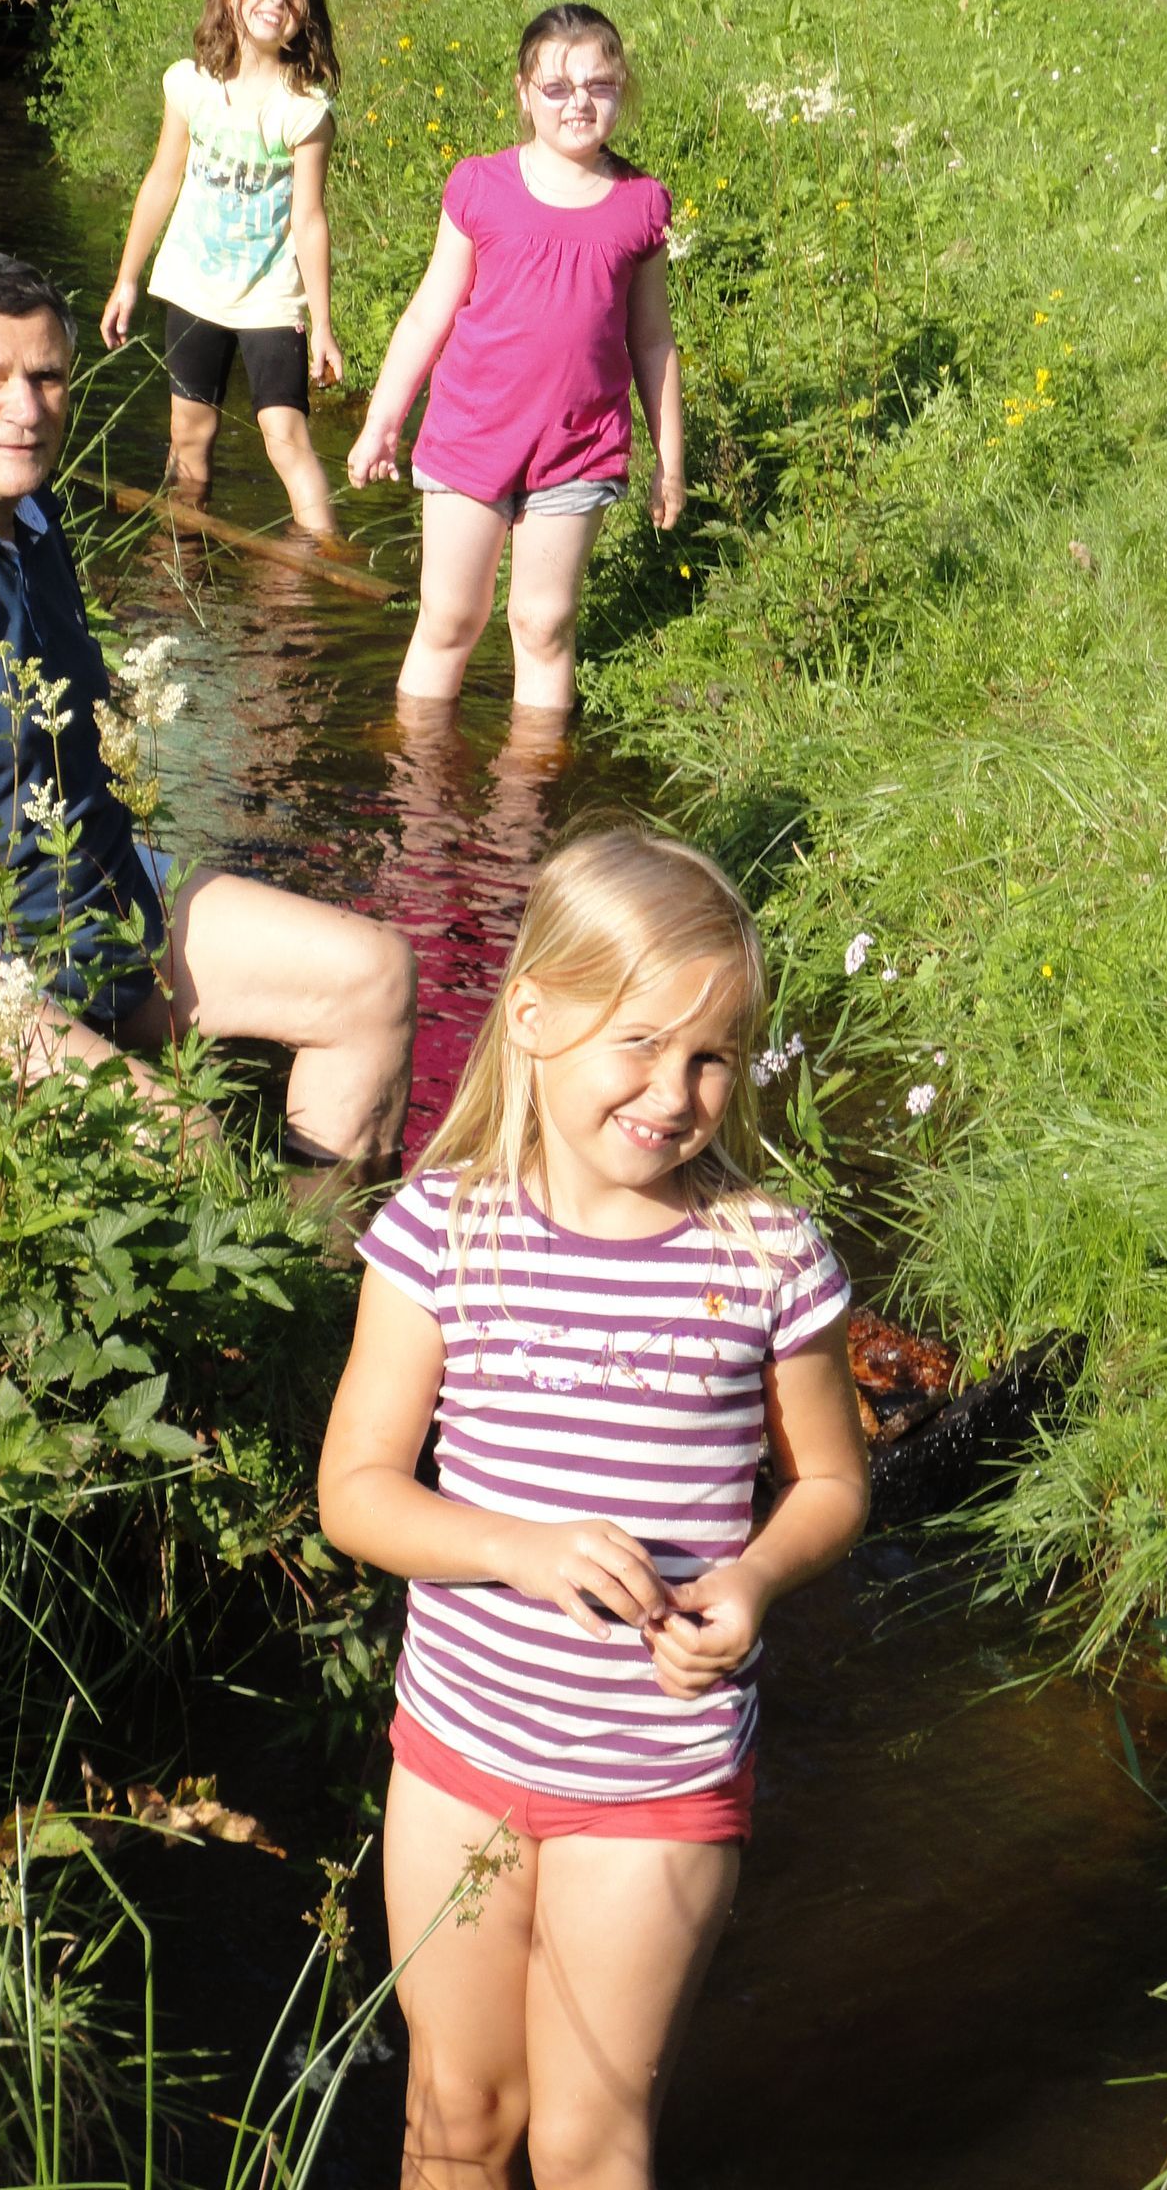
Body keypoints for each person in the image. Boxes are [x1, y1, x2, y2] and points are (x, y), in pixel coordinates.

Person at [319, 826, 868, 2190]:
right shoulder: (441, 1232)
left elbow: (832, 1483)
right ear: (533, 1014)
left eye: (712, 1057)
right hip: (459, 1757)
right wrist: (515, 1547)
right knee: (459, 2119)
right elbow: (356, 1492)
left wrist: (750, 1583)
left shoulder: (766, 1256)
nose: (675, 1093)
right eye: (640, 1043)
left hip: (657, 1774)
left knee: (587, 2145)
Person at [0, 248, 414, 1168]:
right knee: (188, 1141)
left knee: (374, 978)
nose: (25, 409)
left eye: (47, 376)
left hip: (102, 900)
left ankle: (326, 1243)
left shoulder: (21, 507)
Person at [346, 3, 686, 716]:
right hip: (471, 435)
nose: (579, 102)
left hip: (578, 446)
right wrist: (383, 422)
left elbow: (653, 341)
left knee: (542, 624)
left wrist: (670, 460)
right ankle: (418, 774)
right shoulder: (481, 187)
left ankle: (531, 781)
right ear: (524, 94)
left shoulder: (641, 205)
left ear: (622, 89)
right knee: (449, 618)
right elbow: (428, 314)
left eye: (598, 84)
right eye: (557, 87)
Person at [99, 0, 346, 541]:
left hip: (270, 298)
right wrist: (127, 279)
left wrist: (322, 325)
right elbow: (162, 179)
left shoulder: (303, 111)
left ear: (304, 16)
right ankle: (179, 556)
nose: (275, 0)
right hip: (193, 287)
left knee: (285, 436)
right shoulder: (190, 86)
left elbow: (309, 219)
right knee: (189, 433)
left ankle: (325, 557)